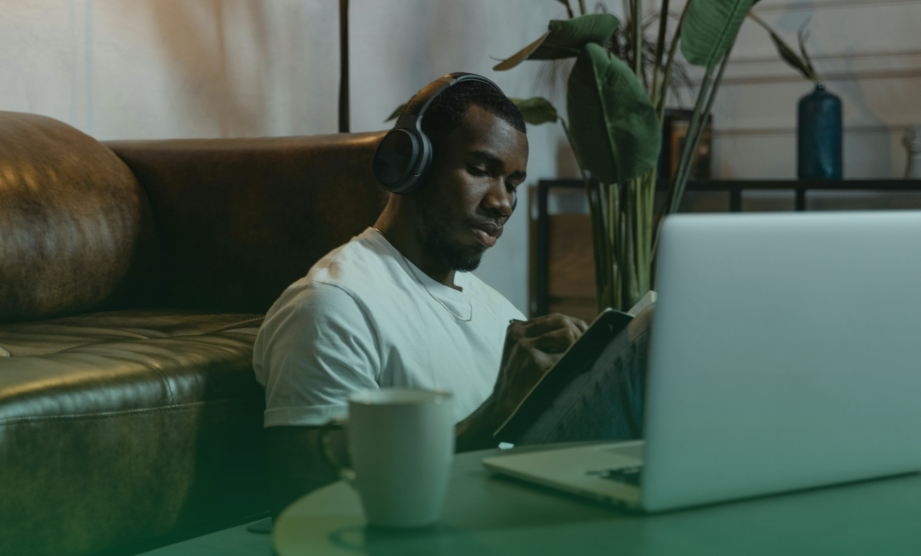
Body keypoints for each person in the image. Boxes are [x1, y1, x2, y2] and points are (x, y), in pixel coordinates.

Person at [253, 76, 647, 518]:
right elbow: (310, 506)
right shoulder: (332, 305)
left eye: (514, 184)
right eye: (480, 170)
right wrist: (499, 409)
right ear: (410, 164)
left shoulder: (500, 311)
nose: (502, 203)